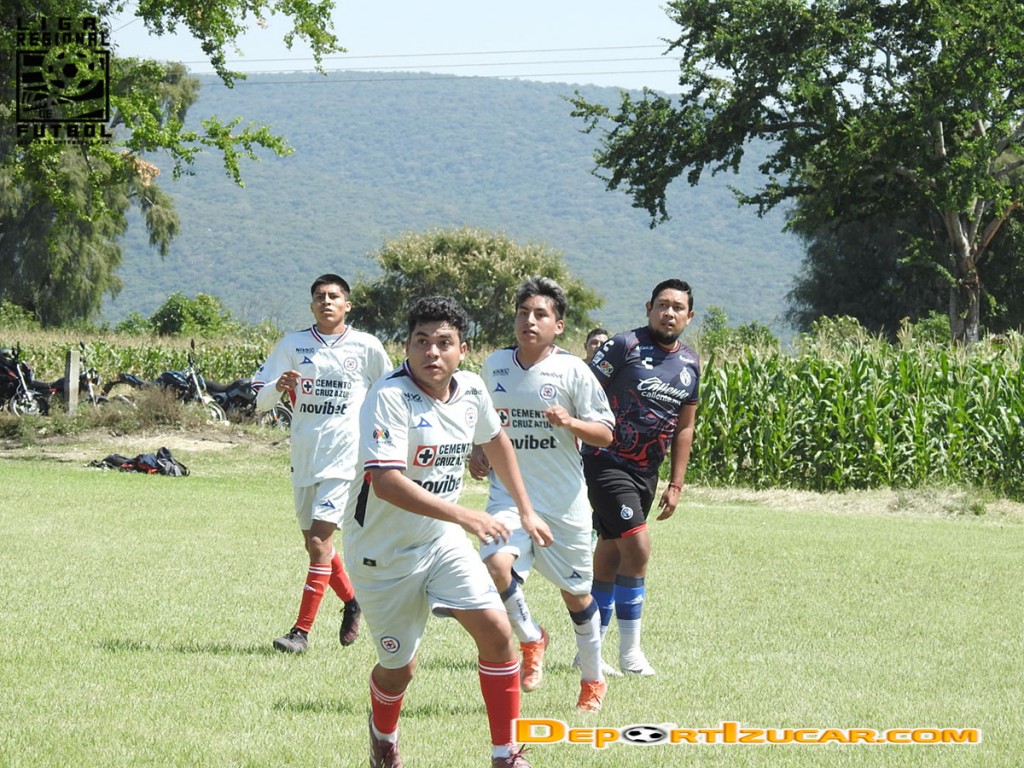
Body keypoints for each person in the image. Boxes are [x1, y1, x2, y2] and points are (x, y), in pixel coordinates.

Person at [345, 295, 550, 768]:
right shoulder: (389, 396)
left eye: (444, 342)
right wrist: (467, 516)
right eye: (421, 341)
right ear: (407, 346)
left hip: (441, 542)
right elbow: (386, 482)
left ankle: (505, 754)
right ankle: (383, 737)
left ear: (463, 349)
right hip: (383, 555)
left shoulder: (472, 390)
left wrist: (526, 510)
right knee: (399, 670)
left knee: (497, 632)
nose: (432, 352)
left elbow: (496, 440)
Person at [469, 277, 614, 713]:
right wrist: (477, 451)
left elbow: (605, 433)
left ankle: (593, 680)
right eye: (523, 313)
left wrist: (571, 423)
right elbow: (481, 422)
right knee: (495, 565)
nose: (529, 321)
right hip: (509, 499)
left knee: (577, 596)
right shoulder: (495, 366)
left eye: (540, 314)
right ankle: (532, 638)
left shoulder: (573, 371)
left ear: (558, 325)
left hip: (563, 504)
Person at [253, 273, 391, 654]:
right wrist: (277, 386)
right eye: (319, 296)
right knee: (314, 545)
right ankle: (352, 600)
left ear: (348, 304)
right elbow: (259, 397)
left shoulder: (366, 346)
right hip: (304, 456)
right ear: (312, 305)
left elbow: (391, 392)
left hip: (346, 460)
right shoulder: (293, 345)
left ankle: (300, 633)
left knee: (319, 541)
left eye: (333, 296)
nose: (326, 301)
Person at [583, 278, 699, 676]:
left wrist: (676, 483)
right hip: (605, 461)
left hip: (646, 473)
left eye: (677, 307)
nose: (669, 313)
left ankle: (588, 650)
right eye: (662, 305)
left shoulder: (690, 363)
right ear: (649, 308)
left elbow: (685, 427)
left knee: (611, 553)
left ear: (689, 316)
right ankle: (630, 654)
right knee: (638, 548)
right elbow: (582, 390)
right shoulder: (623, 345)